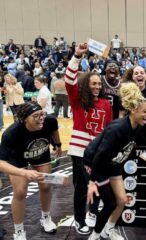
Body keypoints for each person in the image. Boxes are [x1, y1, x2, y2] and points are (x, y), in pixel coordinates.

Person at [86, 82, 146, 240]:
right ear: (133, 110)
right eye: (145, 112)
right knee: (110, 204)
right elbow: (100, 156)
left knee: (122, 200)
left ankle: (108, 230)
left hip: (113, 163)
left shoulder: (138, 126)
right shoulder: (117, 128)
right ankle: (94, 236)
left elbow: (143, 139)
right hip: (97, 164)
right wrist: (92, 182)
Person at [64, 43, 113, 235]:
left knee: (99, 184)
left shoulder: (105, 104)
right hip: (79, 150)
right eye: (93, 83)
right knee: (82, 188)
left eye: (99, 84)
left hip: (99, 152)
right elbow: (69, 80)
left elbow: (108, 128)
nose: (97, 86)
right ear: (86, 84)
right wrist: (77, 56)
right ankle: (79, 219)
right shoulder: (77, 100)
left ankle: (93, 212)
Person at [0, 101, 62, 240]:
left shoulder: (49, 120)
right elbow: (1, 163)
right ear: (24, 119)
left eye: (42, 114)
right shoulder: (11, 133)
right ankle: (19, 231)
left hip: (39, 152)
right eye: (35, 116)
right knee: (20, 192)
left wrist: (58, 144)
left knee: (46, 186)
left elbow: (54, 129)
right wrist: (24, 172)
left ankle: (45, 217)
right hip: (17, 158)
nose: (41, 118)